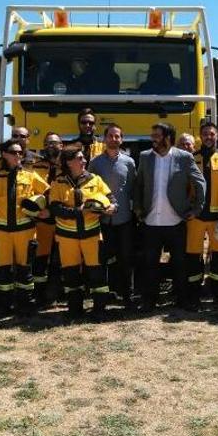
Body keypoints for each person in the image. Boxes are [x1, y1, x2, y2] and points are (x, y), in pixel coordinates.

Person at [133, 122, 206, 311]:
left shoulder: (184, 157)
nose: (153, 138)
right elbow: (139, 185)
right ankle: (149, 301)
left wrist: (196, 209)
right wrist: (139, 208)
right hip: (150, 222)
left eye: (157, 135)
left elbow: (200, 183)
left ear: (168, 137)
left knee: (180, 264)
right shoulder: (145, 157)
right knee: (150, 264)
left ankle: (182, 300)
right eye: (153, 135)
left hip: (176, 221)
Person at [0, 139, 50, 315]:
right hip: (1, 232)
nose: (18, 155)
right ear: (4, 154)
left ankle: (25, 304)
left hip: (25, 231)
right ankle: (4, 306)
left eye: (20, 152)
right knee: (3, 270)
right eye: (14, 152)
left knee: (25, 269)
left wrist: (45, 210)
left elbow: (49, 194)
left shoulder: (30, 175)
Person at [49, 146, 116, 317]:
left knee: (97, 274)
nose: (84, 161)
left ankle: (99, 310)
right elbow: (55, 209)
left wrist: (112, 207)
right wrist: (80, 212)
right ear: (69, 162)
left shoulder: (95, 179)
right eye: (79, 158)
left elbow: (111, 199)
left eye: (84, 158)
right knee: (71, 274)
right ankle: (74, 309)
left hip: (91, 235)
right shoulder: (58, 183)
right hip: (67, 237)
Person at [186, 123, 218, 306]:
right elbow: (184, 188)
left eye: (212, 134)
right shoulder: (191, 159)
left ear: (217, 136)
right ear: (200, 136)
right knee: (193, 257)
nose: (208, 137)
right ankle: (193, 296)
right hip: (196, 218)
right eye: (205, 134)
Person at [88, 123, 137, 308]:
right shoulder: (95, 163)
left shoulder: (129, 163)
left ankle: (127, 296)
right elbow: (90, 190)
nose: (114, 139)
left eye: (117, 136)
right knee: (102, 260)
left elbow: (132, 189)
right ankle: (102, 298)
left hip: (124, 219)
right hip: (101, 220)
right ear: (104, 138)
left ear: (121, 139)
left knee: (126, 259)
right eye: (110, 136)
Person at [29, 132, 64, 306]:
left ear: (61, 145)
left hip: (62, 220)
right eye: (47, 143)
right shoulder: (36, 167)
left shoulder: (67, 167)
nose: (51, 146)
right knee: (40, 260)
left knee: (60, 259)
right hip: (42, 221)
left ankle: (57, 293)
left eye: (55, 143)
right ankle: (39, 295)